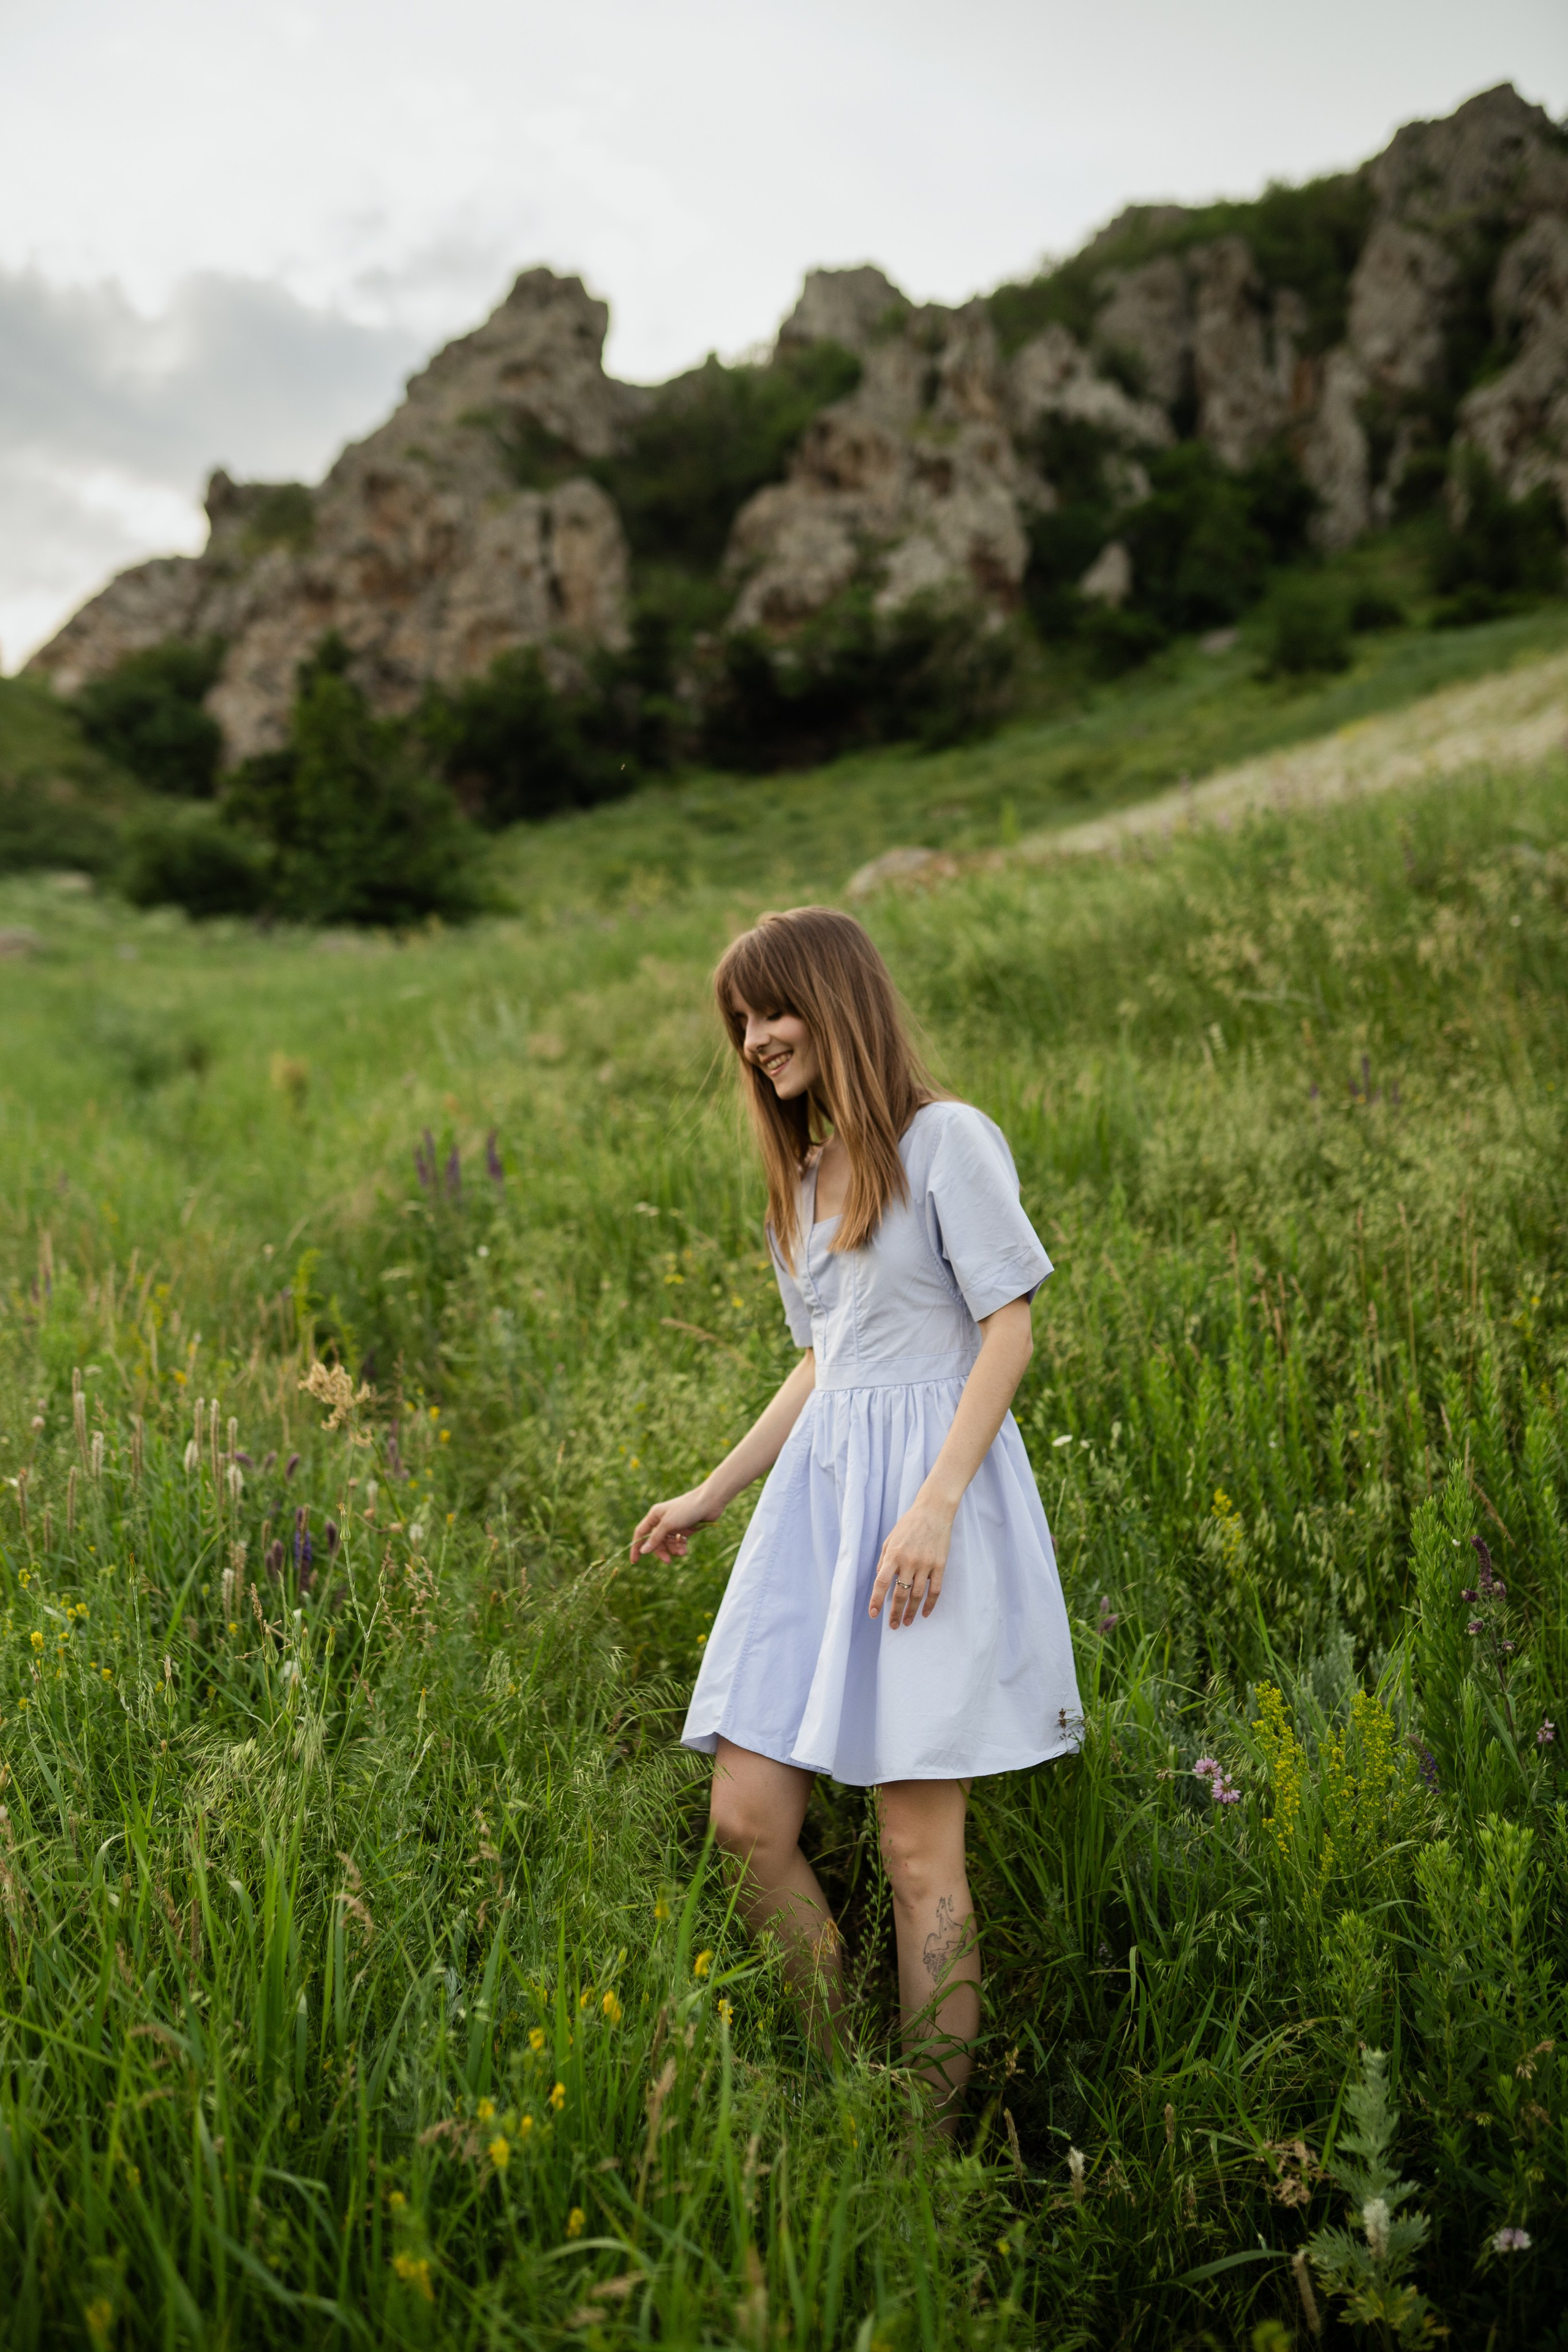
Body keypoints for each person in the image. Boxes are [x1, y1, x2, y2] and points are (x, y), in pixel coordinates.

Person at [631, 906, 1081, 2120]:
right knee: (745, 1817)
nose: (753, 1041)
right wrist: (713, 1492)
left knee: (918, 1851)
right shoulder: (806, 1178)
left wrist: (934, 1505)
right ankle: (843, 2080)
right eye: (739, 1023)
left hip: (925, 1518)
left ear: (835, 1000)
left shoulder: (946, 1141)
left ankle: (921, 2155)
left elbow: (1008, 1326)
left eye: (770, 1012)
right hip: (818, 1515)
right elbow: (826, 1363)